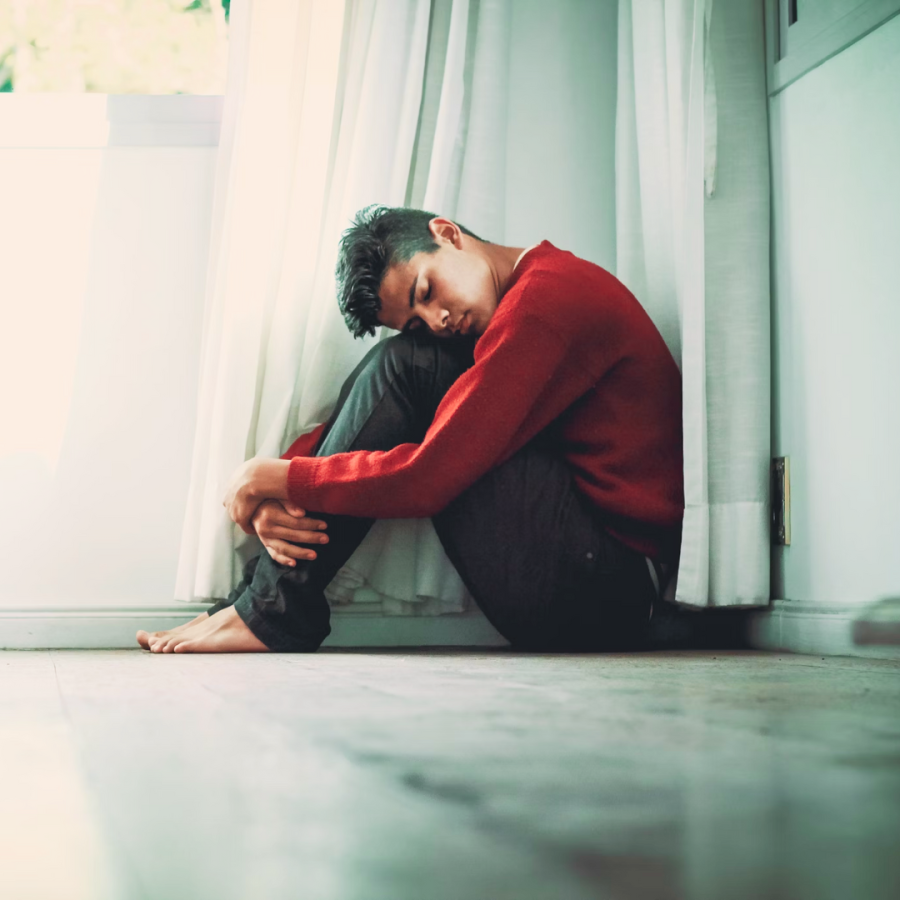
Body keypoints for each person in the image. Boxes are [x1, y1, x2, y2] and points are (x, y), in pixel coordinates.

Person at [137, 206, 683, 654]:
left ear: (447, 233)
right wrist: (276, 485)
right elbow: (375, 417)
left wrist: (277, 478)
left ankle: (271, 611)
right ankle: (263, 603)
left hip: (608, 592)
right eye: (420, 317)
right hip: (586, 572)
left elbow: (430, 477)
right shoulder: (519, 305)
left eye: (427, 290)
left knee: (410, 365)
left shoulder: (548, 302)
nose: (440, 319)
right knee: (406, 360)